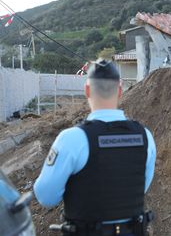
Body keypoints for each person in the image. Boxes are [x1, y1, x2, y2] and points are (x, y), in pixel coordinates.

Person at [33, 59, 156, 236]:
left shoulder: (72, 139)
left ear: (87, 90)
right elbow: (140, 187)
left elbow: (46, 197)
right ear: (120, 91)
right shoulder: (145, 137)